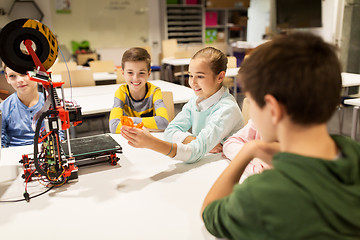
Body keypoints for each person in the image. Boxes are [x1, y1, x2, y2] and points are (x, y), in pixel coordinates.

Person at [201, 32, 360, 239]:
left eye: (251, 101)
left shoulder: (263, 193)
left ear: (273, 109)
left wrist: (248, 151)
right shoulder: (352, 150)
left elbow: (211, 212)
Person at [121, 47, 244, 163]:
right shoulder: (196, 100)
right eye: (190, 75)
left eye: (200, 76)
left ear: (220, 77)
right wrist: (196, 142)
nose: (192, 82)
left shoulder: (226, 109)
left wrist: (152, 143)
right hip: (207, 162)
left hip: (226, 166)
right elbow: (170, 131)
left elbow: (195, 152)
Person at [109, 47, 169, 133]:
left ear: (148, 73)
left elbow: (163, 122)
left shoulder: (155, 91)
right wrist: (150, 125)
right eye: (130, 73)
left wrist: (129, 120)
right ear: (123, 73)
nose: (135, 78)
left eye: (141, 73)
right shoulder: (121, 92)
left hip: (150, 139)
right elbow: (114, 127)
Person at [0, 63, 45, 147]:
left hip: (47, 154)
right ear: (7, 79)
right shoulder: (4, 108)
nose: (19, 80)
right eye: (12, 76)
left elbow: (59, 135)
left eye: (24, 73)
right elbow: (1, 143)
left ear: (36, 73)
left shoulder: (49, 103)